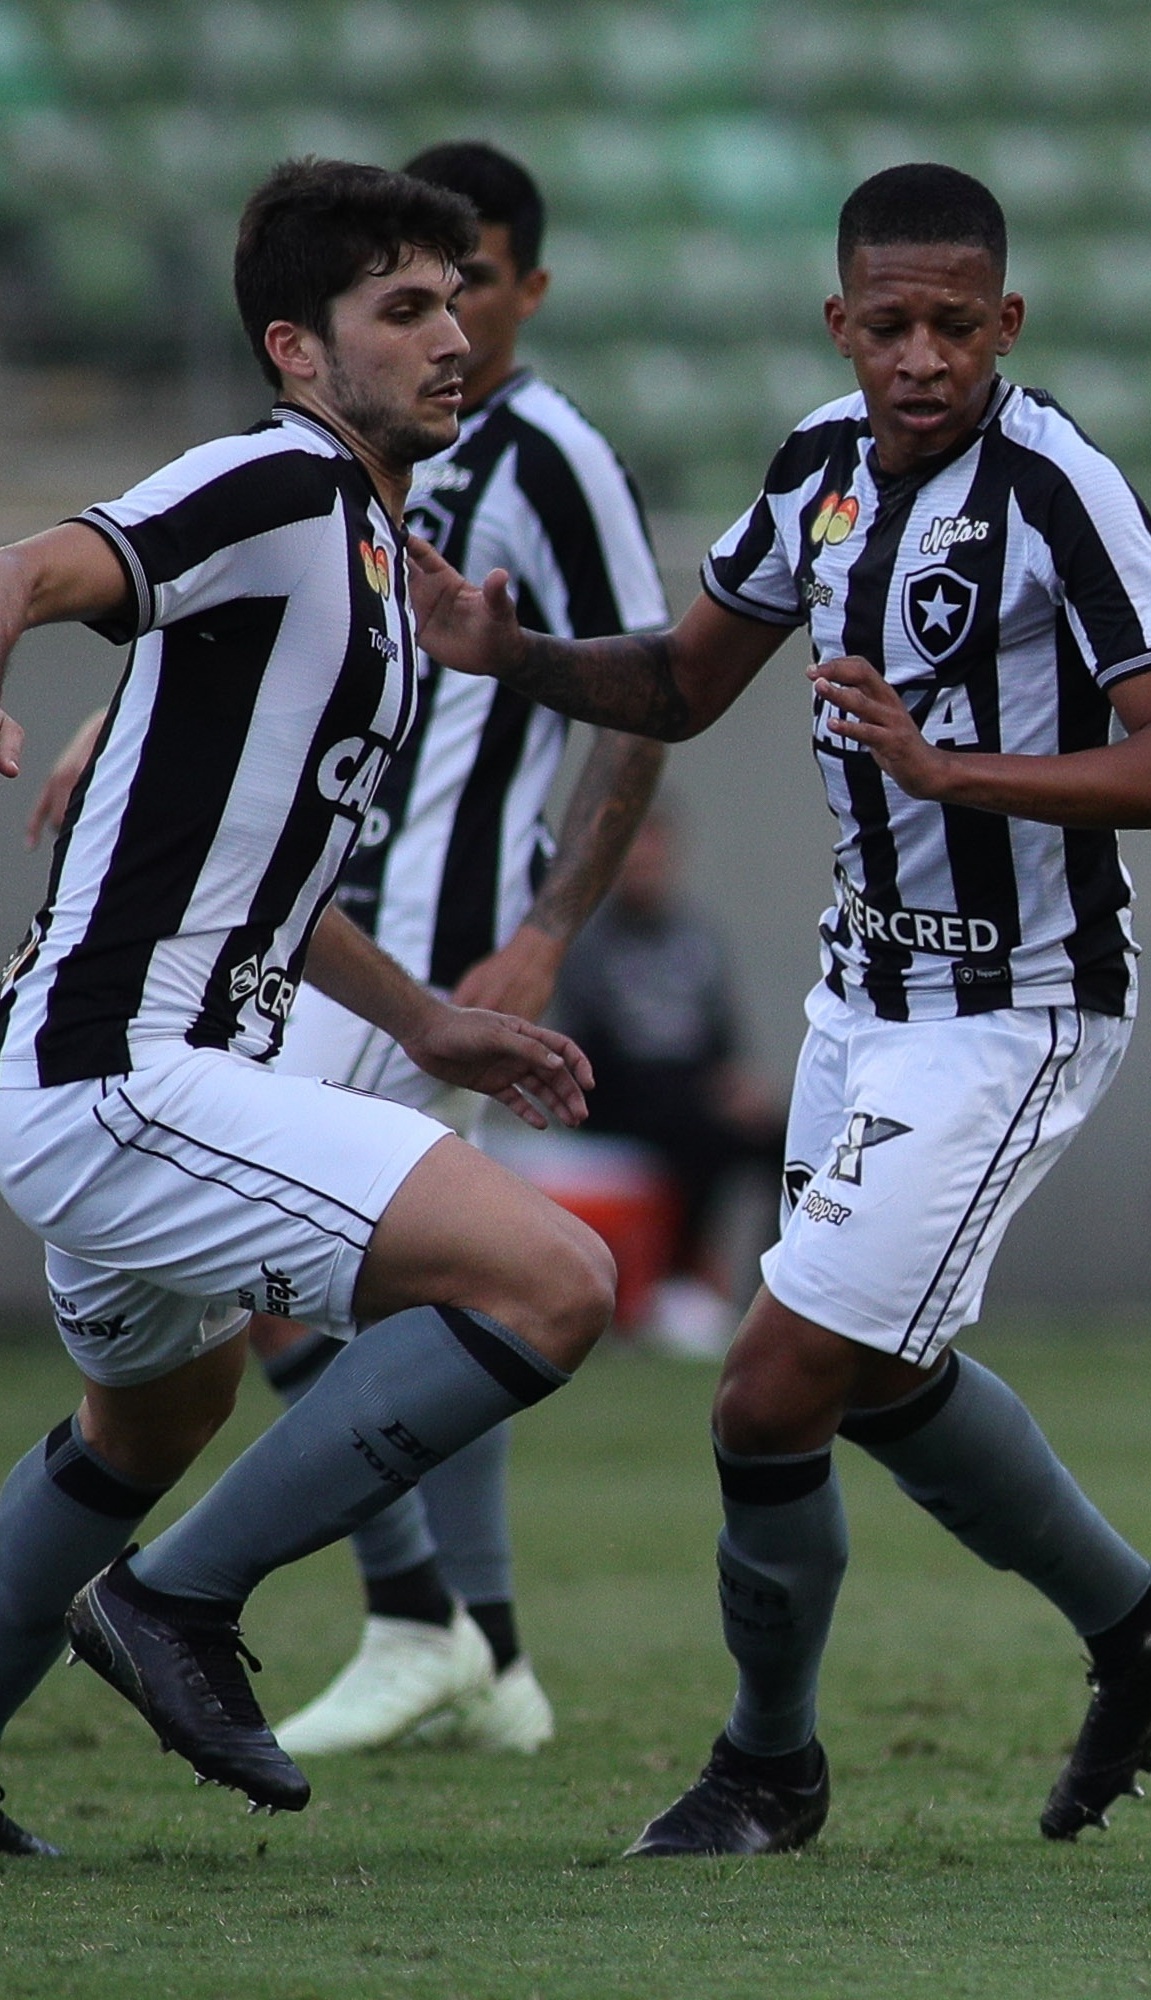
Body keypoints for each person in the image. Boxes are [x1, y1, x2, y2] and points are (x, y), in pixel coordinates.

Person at [411, 162, 1151, 1857]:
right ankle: (1144, 1629)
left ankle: (766, 1768)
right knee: (867, 1372)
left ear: (1005, 325)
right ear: (839, 322)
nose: (922, 353)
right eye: (890, 323)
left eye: (956, 323)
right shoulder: (815, 468)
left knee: (768, 1388)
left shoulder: (1059, 490)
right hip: (860, 994)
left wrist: (955, 770)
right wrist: (518, 658)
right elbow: (682, 684)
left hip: (1013, 1007)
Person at [0, 159, 617, 1849]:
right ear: (294, 345)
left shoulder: (366, 542)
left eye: (458, 297)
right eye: (404, 309)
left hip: (124, 1068)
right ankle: (179, 1603)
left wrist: (421, 1021)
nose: (452, 335)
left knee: (160, 1411)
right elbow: (41, 565)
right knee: (555, 1283)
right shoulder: (274, 477)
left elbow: (262, 864)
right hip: (123, 1074)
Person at [554, 803, 783, 1354]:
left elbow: (720, 1038)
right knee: (696, 1130)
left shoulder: (695, 938)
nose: (645, 863)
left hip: (694, 1096)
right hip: (618, 1100)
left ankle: (780, 1295)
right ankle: (678, 1284)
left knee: (785, 1139)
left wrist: (736, 1086)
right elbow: (589, 1053)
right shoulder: (591, 942)